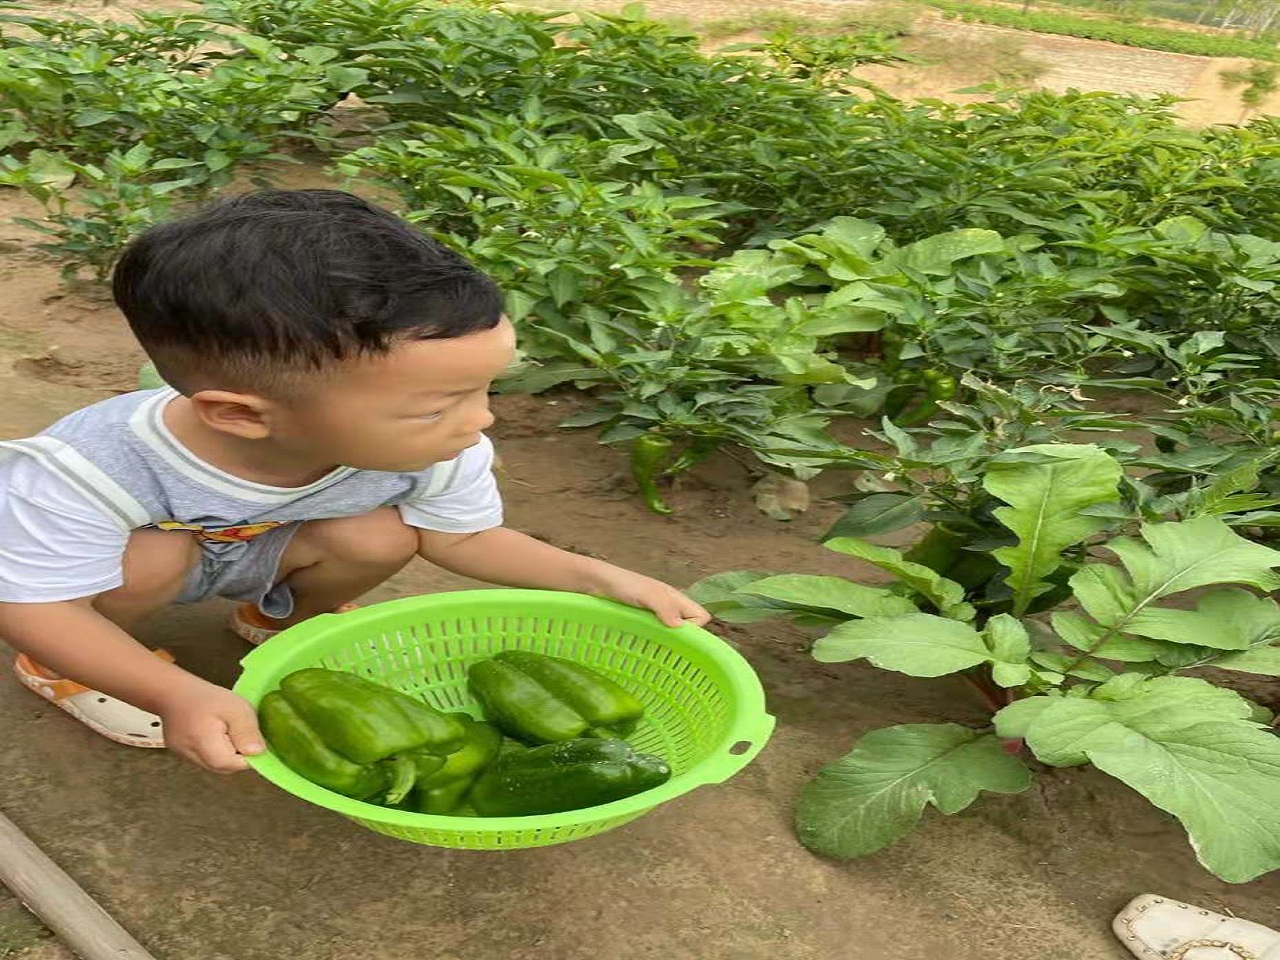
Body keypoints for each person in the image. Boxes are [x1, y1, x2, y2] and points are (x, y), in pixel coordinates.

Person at [0, 189, 709, 774]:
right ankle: (74, 671)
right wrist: (175, 691)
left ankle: (277, 622)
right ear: (243, 416)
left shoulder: (433, 444)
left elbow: (466, 537)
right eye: (438, 405)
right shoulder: (86, 469)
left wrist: (602, 579)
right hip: (138, 563)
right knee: (150, 558)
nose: (479, 421)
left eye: (486, 388)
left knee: (382, 532)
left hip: (273, 544)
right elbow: (36, 606)